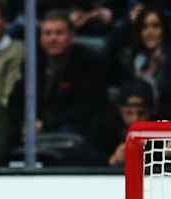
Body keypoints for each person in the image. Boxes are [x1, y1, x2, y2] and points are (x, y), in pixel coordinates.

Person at [7, 10, 107, 141]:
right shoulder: (33, 61)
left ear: (71, 36)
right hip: (35, 125)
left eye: (59, 33)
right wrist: (26, 122)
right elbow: (16, 101)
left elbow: (87, 107)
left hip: (74, 125)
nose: (53, 38)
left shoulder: (88, 61)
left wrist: (45, 125)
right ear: (41, 38)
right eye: (47, 33)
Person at [112, 6, 171, 119]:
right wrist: (127, 22)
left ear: (164, 30)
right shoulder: (133, 59)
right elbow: (108, 54)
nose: (149, 32)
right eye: (144, 27)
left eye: (155, 26)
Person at [90, 78, 153, 166]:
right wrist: (113, 160)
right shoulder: (104, 130)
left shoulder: (161, 131)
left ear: (151, 112)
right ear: (120, 110)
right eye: (129, 113)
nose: (135, 119)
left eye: (141, 113)